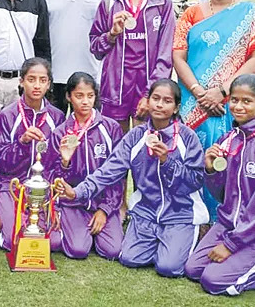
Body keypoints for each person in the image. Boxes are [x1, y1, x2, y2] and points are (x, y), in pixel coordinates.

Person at [57, 79, 208, 277]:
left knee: (168, 268)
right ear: (148, 101)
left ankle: (183, 238)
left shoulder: (187, 137)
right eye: (155, 98)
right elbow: (108, 171)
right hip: (146, 212)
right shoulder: (136, 136)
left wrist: (167, 161)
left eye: (167, 101)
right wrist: (77, 192)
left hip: (180, 213)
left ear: (176, 107)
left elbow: (196, 180)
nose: (160, 105)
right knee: (129, 258)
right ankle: (164, 242)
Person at [172, 0, 255, 221]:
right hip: (192, 101)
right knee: (193, 157)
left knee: (230, 159)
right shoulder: (191, 14)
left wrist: (221, 92)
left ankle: (229, 219)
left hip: (233, 101)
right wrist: (200, 92)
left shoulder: (251, 14)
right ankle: (191, 220)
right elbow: (178, 56)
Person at [184, 74, 255, 295]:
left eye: (247, 101)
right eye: (235, 100)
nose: (238, 106)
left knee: (212, 281)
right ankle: (243, 258)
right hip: (228, 224)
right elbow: (222, 195)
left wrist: (231, 245)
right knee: (193, 269)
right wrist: (210, 170)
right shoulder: (230, 139)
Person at [89, 0, 175, 135]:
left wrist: (151, 93)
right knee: (114, 146)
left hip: (147, 85)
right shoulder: (110, 3)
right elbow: (95, 48)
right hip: (115, 87)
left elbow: (165, 54)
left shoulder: (162, 3)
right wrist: (112, 34)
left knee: (144, 147)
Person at [0, 58, 65, 250]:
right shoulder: (8, 114)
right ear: (21, 82)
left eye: (42, 80)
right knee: (15, 241)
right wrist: (22, 142)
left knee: (52, 243)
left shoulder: (57, 116)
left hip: (43, 189)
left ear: (48, 84)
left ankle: (36, 215)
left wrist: (56, 203)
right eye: (31, 79)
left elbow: (56, 163)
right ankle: (11, 219)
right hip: (13, 185)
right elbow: (1, 163)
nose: (36, 85)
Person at [33, 0, 112, 113]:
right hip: (53, 80)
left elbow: (109, 34)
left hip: (91, 79)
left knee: (90, 136)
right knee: (51, 137)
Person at [49, 72, 124, 260]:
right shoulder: (60, 133)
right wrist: (65, 162)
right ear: (68, 97)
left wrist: (105, 210)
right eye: (79, 96)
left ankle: (95, 229)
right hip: (73, 204)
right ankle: (78, 230)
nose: (85, 102)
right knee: (78, 250)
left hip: (103, 201)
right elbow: (54, 180)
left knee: (113, 250)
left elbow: (118, 174)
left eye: (90, 96)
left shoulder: (111, 128)